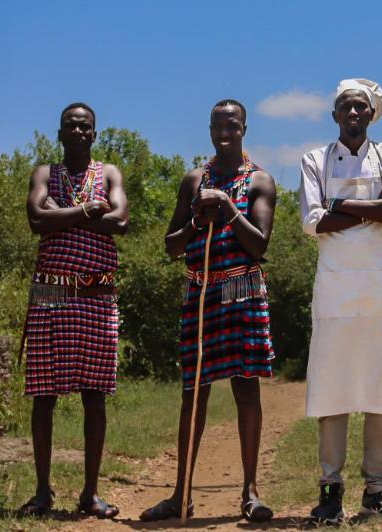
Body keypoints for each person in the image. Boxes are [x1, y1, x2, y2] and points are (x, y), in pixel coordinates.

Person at [141, 100, 277, 523]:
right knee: (192, 393)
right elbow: (171, 245)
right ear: (209, 129)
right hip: (200, 295)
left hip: (243, 291)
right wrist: (198, 220)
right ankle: (181, 494)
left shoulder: (260, 181)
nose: (224, 132)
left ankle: (250, 492)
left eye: (232, 125)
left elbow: (259, 245)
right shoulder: (193, 180)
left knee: (245, 388)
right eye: (217, 125)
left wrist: (229, 209)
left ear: (244, 128)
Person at [299, 79, 382, 523]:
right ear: (334, 115)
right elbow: (313, 222)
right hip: (334, 289)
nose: (353, 113)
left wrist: (341, 204)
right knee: (331, 390)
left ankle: (378, 490)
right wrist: (373, 206)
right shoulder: (315, 159)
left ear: (372, 115)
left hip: (379, 289)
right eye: (345, 107)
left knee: (380, 387)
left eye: (360, 108)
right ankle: (330, 490)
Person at [18, 103, 129, 519]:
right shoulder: (45, 174)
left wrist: (59, 218)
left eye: (86, 126)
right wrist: (87, 211)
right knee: (44, 395)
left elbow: (120, 222)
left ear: (94, 134)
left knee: (94, 395)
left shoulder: (110, 173)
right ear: (60, 133)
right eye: (71, 126)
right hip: (51, 295)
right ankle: (43, 492)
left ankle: (90, 493)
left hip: (97, 296)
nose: (79, 131)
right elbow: (35, 219)